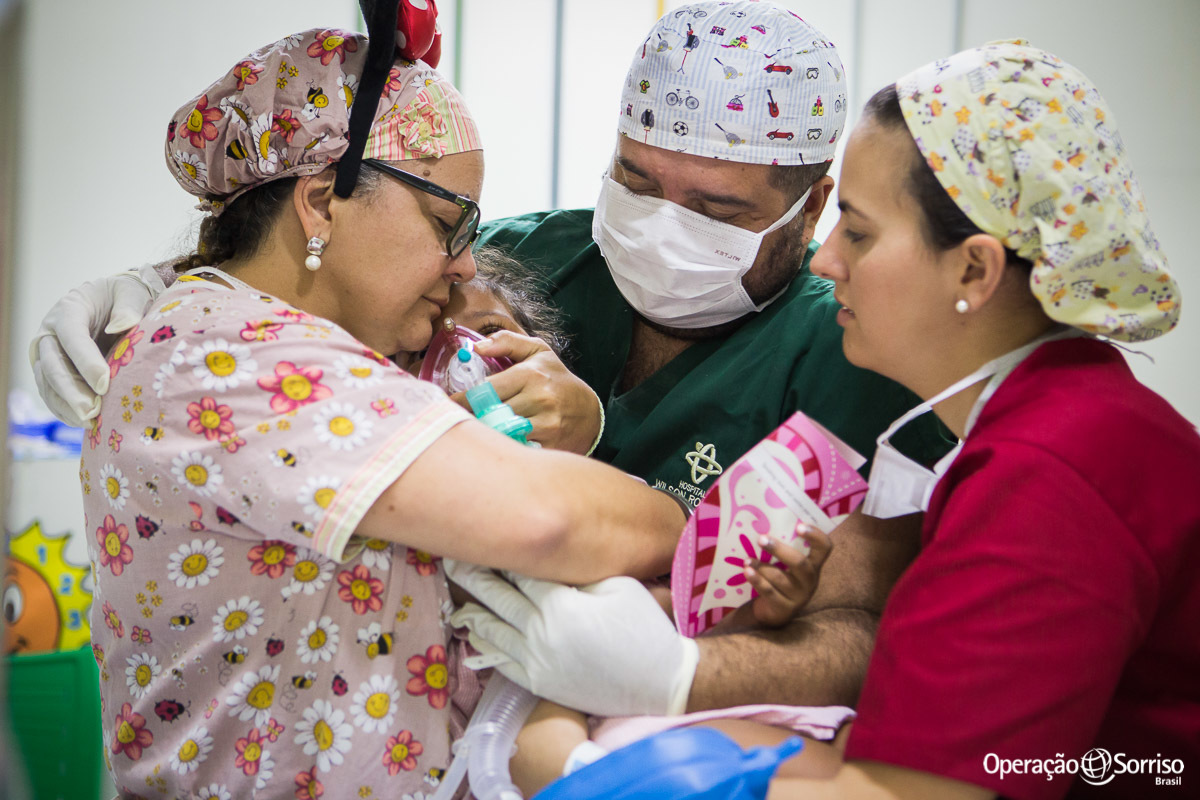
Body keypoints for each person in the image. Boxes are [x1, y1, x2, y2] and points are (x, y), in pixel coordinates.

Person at [32, 0, 952, 715]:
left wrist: (681, 674)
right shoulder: (542, 255)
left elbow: (876, 621)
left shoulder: (858, 354)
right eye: (635, 181)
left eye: (715, 211)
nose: (660, 224)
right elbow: (339, 273)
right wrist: (174, 280)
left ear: (815, 203)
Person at [458, 40, 1200, 800]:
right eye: (639, 180)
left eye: (858, 230)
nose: (826, 261)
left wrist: (596, 770)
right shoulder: (1041, 422)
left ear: (973, 271)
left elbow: (912, 790)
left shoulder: (1053, 475)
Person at [78, 22, 689, 798]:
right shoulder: (239, 363)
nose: (467, 262)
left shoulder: (338, 351)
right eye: (448, 225)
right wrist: (656, 516)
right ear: (322, 202)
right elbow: (558, 522)